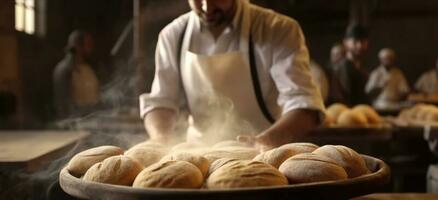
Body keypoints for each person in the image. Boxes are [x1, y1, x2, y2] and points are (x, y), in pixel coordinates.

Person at [139, 0, 325, 150]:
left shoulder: (278, 29)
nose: (206, 7)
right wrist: (161, 141)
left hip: (262, 155)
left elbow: (304, 104)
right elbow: (162, 103)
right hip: (197, 157)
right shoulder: (173, 35)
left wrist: (267, 141)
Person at [53, 30, 101, 118]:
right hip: (75, 123)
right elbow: (64, 105)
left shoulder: (88, 68)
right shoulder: (64, 70)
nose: (91, 47)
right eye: (88, 44)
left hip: (91, 119)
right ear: (78, 47)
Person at [328, 24, 370, 106]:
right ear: (345, 43)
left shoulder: (360, 66)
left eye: (362, 41)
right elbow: (345, 98)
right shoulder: (344, 66)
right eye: (355, 41)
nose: (359, 46)